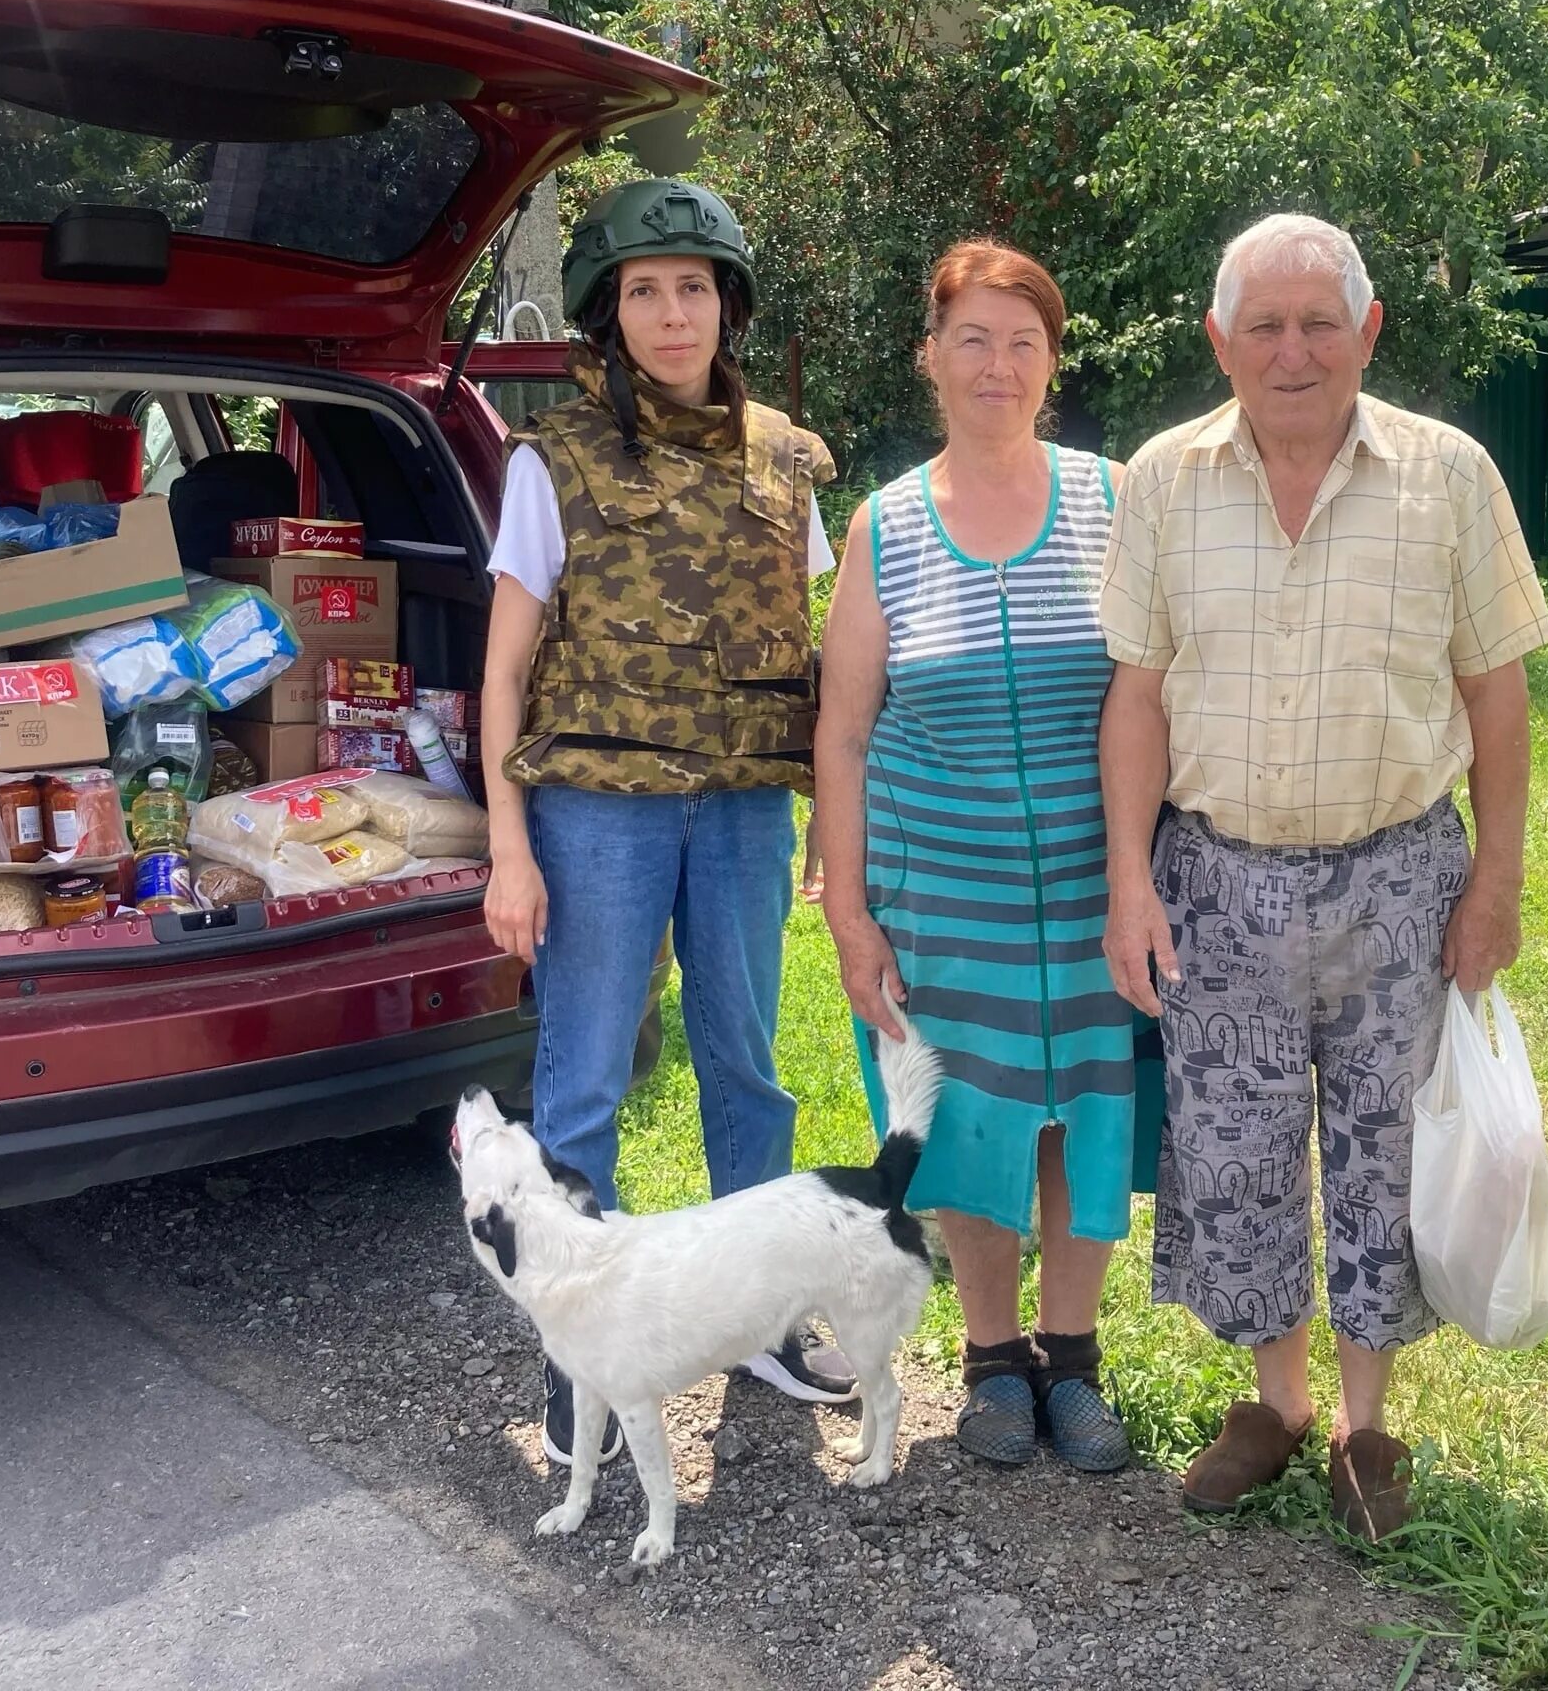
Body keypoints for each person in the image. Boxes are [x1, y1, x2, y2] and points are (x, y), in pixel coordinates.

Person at [1096, 213, 1548, 1539]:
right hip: (1217, 886)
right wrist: (1133, 878)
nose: (1292, 350)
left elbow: (1498, 693)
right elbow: (1135, 698)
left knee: (1383, 1153)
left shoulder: (1449, 476)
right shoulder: (1164, 481)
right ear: (1220, 341)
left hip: (1402, 880)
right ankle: (1274, 1403)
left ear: (1368, 331)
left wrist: (1498, 881)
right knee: (1233, 1159)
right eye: (1264, 325)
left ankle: (1365, 1428)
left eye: (1318, 323)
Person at [480, 178, 854, 1470]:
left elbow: (817, 663)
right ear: (607, 313)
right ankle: (580, 1344)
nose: (672, 312)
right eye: (645, 290)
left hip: (743, 808)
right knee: (581, 1082)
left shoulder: (789, 463)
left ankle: (754, 1317)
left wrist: (827, 828)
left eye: (693, 287)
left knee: (747, 1070)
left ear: (728, 305)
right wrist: (511, 842)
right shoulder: (556, 461)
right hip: (599, 813)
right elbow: (505, 671)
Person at [815, 242, 1145, 1472]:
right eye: (972, 339)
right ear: (931, 359)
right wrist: (849, 914)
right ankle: (991, 1363)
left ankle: (1073, 1362)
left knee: (1081, 1118)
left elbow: (1147, 698)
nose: (997, 364)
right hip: (937, 888)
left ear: (1053, 362)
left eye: (1022, 341)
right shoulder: (886, 524)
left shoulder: (1115, 501)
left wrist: (1138, 874)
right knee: (967, 1120)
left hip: (1091, 879)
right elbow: (842, 731)